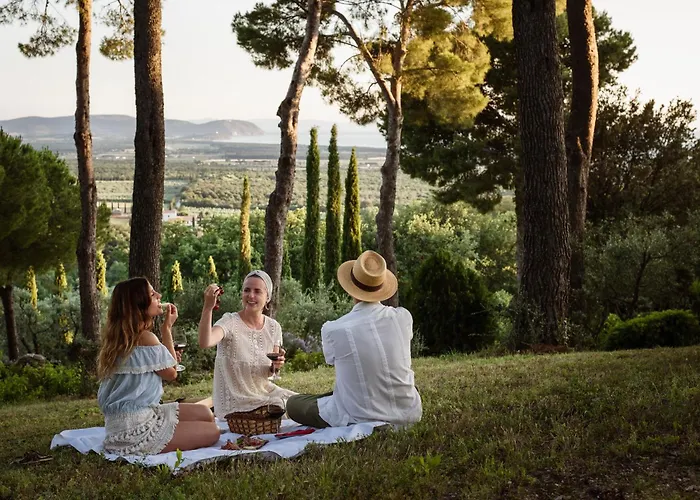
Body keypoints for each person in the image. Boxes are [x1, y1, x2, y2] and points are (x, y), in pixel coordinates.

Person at [286, 250, 422, 428]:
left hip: (359, 415)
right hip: (409, 412)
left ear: (351, 289)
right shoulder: (403, 317)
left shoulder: (334, 329)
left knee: (293, 404)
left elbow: (330, 360)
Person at [97, 277, 220, 455]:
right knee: (213, 431)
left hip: (133, 417)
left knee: (205, 413)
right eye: (152, 294)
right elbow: (172, 374)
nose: (159, 295)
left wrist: (167, 355)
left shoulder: (121, 338)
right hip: (135, 427)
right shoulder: (146, 338)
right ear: (139, 304)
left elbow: (166, 365)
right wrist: (166, 329)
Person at [198, 270, 296, 420]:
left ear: (267, 297)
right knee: (279, 407)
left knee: (299, 402)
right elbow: (205, 342)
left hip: (264, 392)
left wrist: (276, 366)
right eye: (247, 290)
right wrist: (208, 308)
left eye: (257, 291)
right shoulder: (230, 322)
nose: (251, 295)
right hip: (236, 401)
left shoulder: (273, 327)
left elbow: (270, 372)